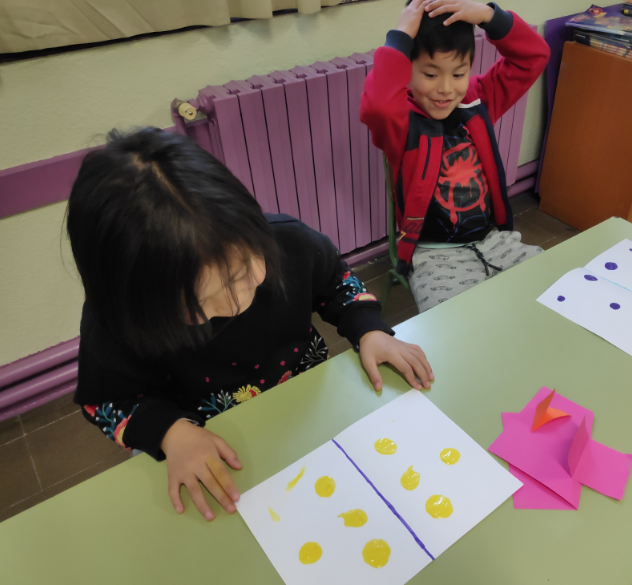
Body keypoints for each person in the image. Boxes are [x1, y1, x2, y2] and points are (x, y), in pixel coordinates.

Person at [67, 127, 433, 521]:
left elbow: (335, 281)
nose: (234, 301)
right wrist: (170, 433)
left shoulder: (288, 242)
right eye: (194, 305)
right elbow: (106, 400)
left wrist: (369, 328)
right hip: (209, 445)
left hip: (303, 411)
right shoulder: (117, 323)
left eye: (243, 271)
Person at [361, 0, 550, 312]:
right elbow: (376, 106)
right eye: (430, 74)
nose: (446, 89)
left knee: (556, 291)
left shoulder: (476, 101)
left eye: (459, 73)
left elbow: (533, 56)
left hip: (495, 241)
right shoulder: (400, 123)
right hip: (435, 255)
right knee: (453, 326)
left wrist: (489, 15)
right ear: (406, 70)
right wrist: (399, 37)